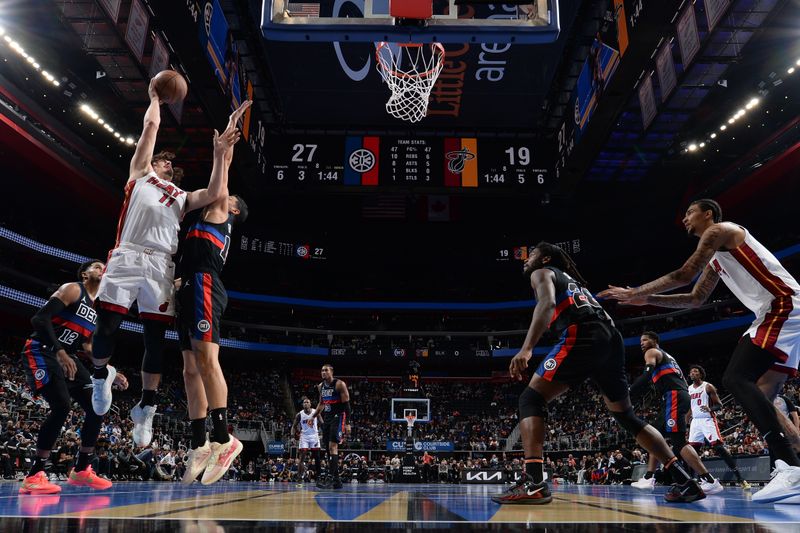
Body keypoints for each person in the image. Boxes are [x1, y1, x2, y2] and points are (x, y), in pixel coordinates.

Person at [599, 199, 800, 504]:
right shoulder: (718, 259)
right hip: (778, 310)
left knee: (735, 378)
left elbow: (683, 274)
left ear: (708, 214)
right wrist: (648, 300)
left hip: (782, 305)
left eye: (689, 213)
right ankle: (795, 466)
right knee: (763, 393)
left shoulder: (721, 230)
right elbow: (695, 299)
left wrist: (636, 292)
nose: (684, 219)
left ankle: (789, 469)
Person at [89, 78, 239, 449]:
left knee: (155, 339)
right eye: (164, 159)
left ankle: (147, 407)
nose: (168, 163)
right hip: (127, 254)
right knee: (108, 324)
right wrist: (155, 97)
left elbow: (216, 193)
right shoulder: (140, 174)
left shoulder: (181, 197)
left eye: (172, 162)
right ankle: (99, 376)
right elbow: (151, 127)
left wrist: (220, 154)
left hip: (161, 266)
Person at [491, 242, 704, 505]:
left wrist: (527, 348)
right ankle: (684, 480)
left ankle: (534, 483)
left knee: (530, 399)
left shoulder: (542, 272)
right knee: (626, 415)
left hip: (583, 334)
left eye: (531, 255)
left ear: (545, 258)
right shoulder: (574, 283)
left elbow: (545, 304)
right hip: (611, 339)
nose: (525, 259)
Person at [178, 101, 251, 485]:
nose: (225, 197)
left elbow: (219, 186)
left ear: (234, 211)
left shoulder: (220, 214)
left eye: (230, 199)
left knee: (206, 361)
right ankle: (198, 442)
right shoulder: (207, 219)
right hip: (190, 285)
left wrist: (222, 149)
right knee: (190, 368)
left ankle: (224, 439)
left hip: (206, 284)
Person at [20, 260, 128, 494]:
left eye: (103, 266)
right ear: (84, 274)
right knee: (61, 406)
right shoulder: (73, 288)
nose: (102, 269)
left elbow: (89, 347)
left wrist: (112, 370)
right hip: (42, 350)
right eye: (97, 266)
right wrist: (59, 351)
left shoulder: (96, 310)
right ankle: (34, 475)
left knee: (97, 406)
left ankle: (82, 470)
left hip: (67, 356)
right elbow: (39, 319)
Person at [627, 333, 722, 494]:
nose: (642, 343)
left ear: (654, 341)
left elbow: (647, 374)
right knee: (654, 436)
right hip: (678, 396)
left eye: (645, 340)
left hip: (674, 396)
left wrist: (630, 391)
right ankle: (649, 477)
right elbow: (684, 383)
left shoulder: (651, 352)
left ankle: (709, 480)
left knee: (678, 442)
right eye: (640, 341)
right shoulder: (668, 357)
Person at [686, 365, 749, 488]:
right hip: (695, 422)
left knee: (719, 448)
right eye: (691, 372)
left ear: (700, 374)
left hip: (707, 420)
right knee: (692, 452)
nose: (692, 373)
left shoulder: (708, 387)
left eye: (695, 371)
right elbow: (690, 408)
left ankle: (741, 479)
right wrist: (687, 421)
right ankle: (695, 479)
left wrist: (710, 408)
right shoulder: (688, 389)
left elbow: (719, 405)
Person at [310, 364, 351, 489]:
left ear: (331, 372)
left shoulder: (339, 384)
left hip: (338, 416)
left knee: (333, 446)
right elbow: (321, 404)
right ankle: (337, 481)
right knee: (328, 449)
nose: (323, 372)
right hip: (327, 418)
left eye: (326, 370)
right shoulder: (321, 386)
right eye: (322, 370)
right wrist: (313, 417)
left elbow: (347, 405)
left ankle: (330, 478)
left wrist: (348, 423)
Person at [291, 397, 323, 483]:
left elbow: (322, 422)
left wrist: (320, 432)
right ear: (302, 405)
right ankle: (299, 477)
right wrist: (293, 436)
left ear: (310, 404)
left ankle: (318, 476)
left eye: (307, 402)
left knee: (317, 457)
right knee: (302, 457)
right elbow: (294, 426)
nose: (305, 403)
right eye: (304, 402)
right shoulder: (299, 414)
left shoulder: (315, 412)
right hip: (304, 436)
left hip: (314, 436)